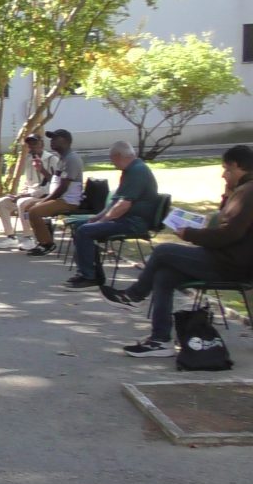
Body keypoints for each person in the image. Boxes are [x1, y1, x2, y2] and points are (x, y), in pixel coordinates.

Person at [100, 145, 253, 357]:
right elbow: (224, 222)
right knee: (165, 275)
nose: (223, 175)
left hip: (231, 264)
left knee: (163, 251)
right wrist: (227, 195)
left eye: (226, 169)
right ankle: (160, 340)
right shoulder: (241, 190)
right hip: (224, 259)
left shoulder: (248, 192)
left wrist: (190, 234)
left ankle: (134, 296)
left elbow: (229, 234)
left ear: (237, 166)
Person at [63, 142, 159, 290]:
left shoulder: (137, 171)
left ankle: (90, 277)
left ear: (118, 156)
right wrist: (97, 218)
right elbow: (115, 202)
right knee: (80, 226)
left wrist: (102, 221)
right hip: (125, 219)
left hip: (134, 222)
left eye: (112, 159)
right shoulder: (129, 171)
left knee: (85, 230)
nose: (112, 163)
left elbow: (124, 205)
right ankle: (90, 272)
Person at [24, 129, 84, 256]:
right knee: (28, 207)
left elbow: (63, 187)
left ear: (66, 141)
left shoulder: (72, 159)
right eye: (51, 139)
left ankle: (47, 244)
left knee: (34, 211)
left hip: (68, 201)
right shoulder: (63, 158)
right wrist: (42, 170)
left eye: (55, 138)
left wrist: (44, 201)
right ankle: (42, 240)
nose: (52, 141)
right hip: (59, 198)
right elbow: (54, 181)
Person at [0, 135, 58, 250]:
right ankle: (11, 237)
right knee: (2, 202)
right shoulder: (29, 160)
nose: (32, 147)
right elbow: (28, 183)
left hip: (46, 196)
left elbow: (53, 185)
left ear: (42, 144)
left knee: (22, 202)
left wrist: (26, 195)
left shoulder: (52, 159)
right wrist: (18, 194)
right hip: (30, 195)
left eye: (35, 143)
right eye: (30, 145)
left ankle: (28, 238)